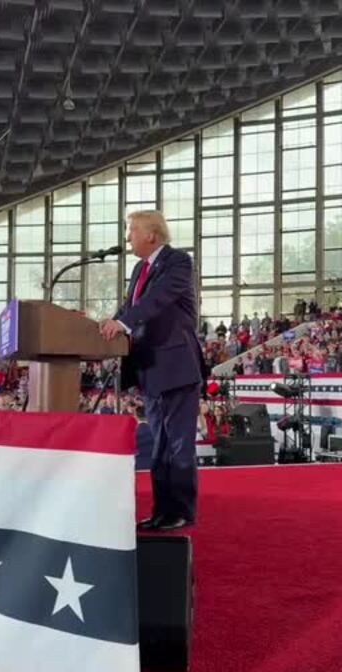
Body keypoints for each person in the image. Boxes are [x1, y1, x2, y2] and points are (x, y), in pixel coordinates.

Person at [100, 210, 203, 532]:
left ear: (152, 235)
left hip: (176, 365)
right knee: (159, 442)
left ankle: (181, 510)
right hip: (151, 367)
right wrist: (106, 324)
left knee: (178, 443)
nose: (128, 236)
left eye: (132, 230)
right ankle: (162, 511)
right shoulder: (139, 268)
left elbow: (156, 300)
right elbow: (129, 306)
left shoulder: (177, 262)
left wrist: (123, 323)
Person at [134, 406, 154, 471]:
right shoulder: (156, 432)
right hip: (153, 466)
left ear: (135, 416)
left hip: (137, 466)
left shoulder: (133, 433)